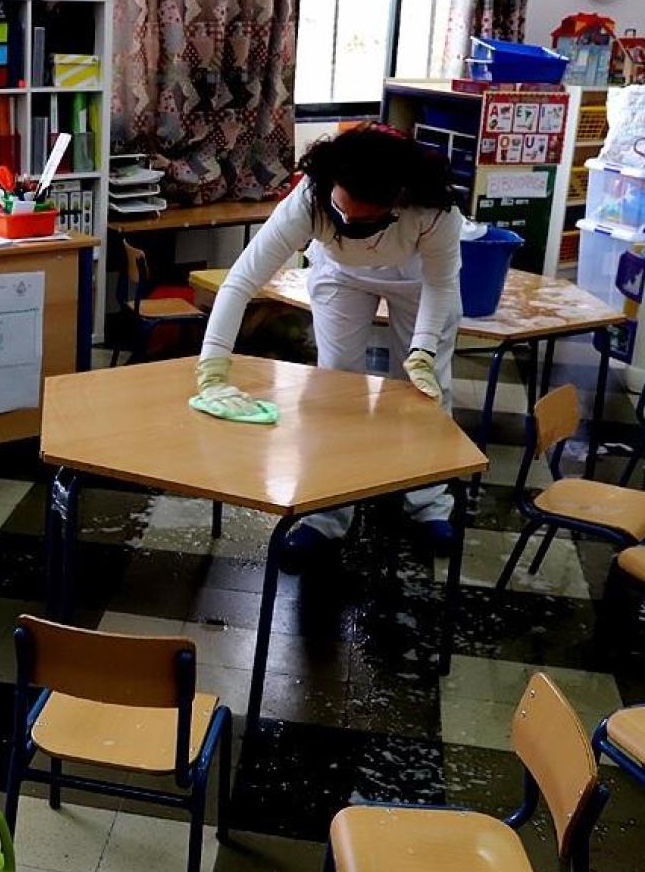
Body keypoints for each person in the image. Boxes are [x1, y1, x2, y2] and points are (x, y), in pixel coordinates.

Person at [194, 124, 464, 570]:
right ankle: (327, 515)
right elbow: (241, 280)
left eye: (362, 220)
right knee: (334, 389)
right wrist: (213, 367)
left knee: (425, 387)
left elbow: (440, 286)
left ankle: (430, 505)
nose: (347, 223)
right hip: (340, 276)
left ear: (395, 202)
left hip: (417, 282)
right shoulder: (310, 198)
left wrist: (422, 352)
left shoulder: (434, 209)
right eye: (341, 213)